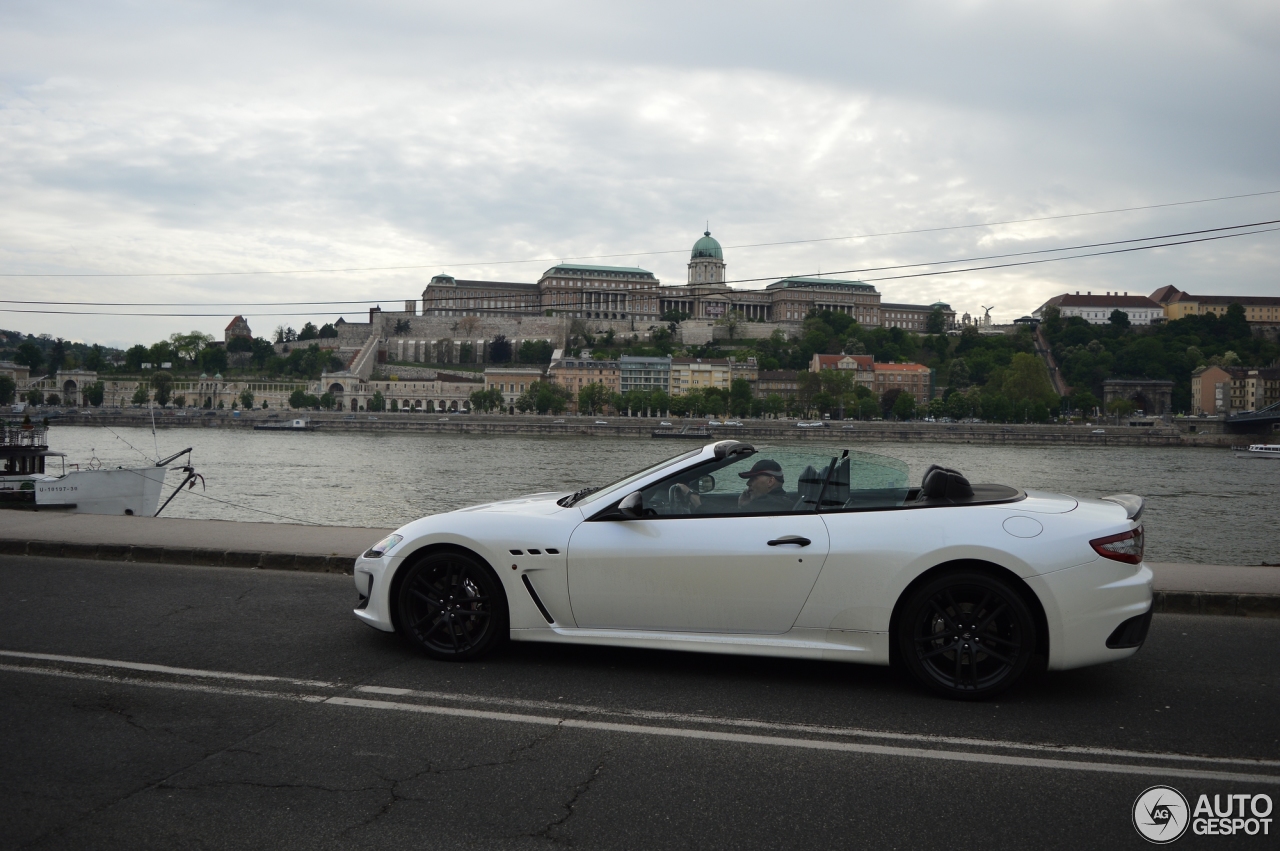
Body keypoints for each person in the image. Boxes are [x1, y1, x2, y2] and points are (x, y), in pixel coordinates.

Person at [674, 458, 792, 513]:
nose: (748, 483)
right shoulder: (778, 501)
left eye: (753, 478)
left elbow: (724, 514)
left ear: (770, 481)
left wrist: (690, 494)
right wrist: (742, 507)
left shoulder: (771, 504)